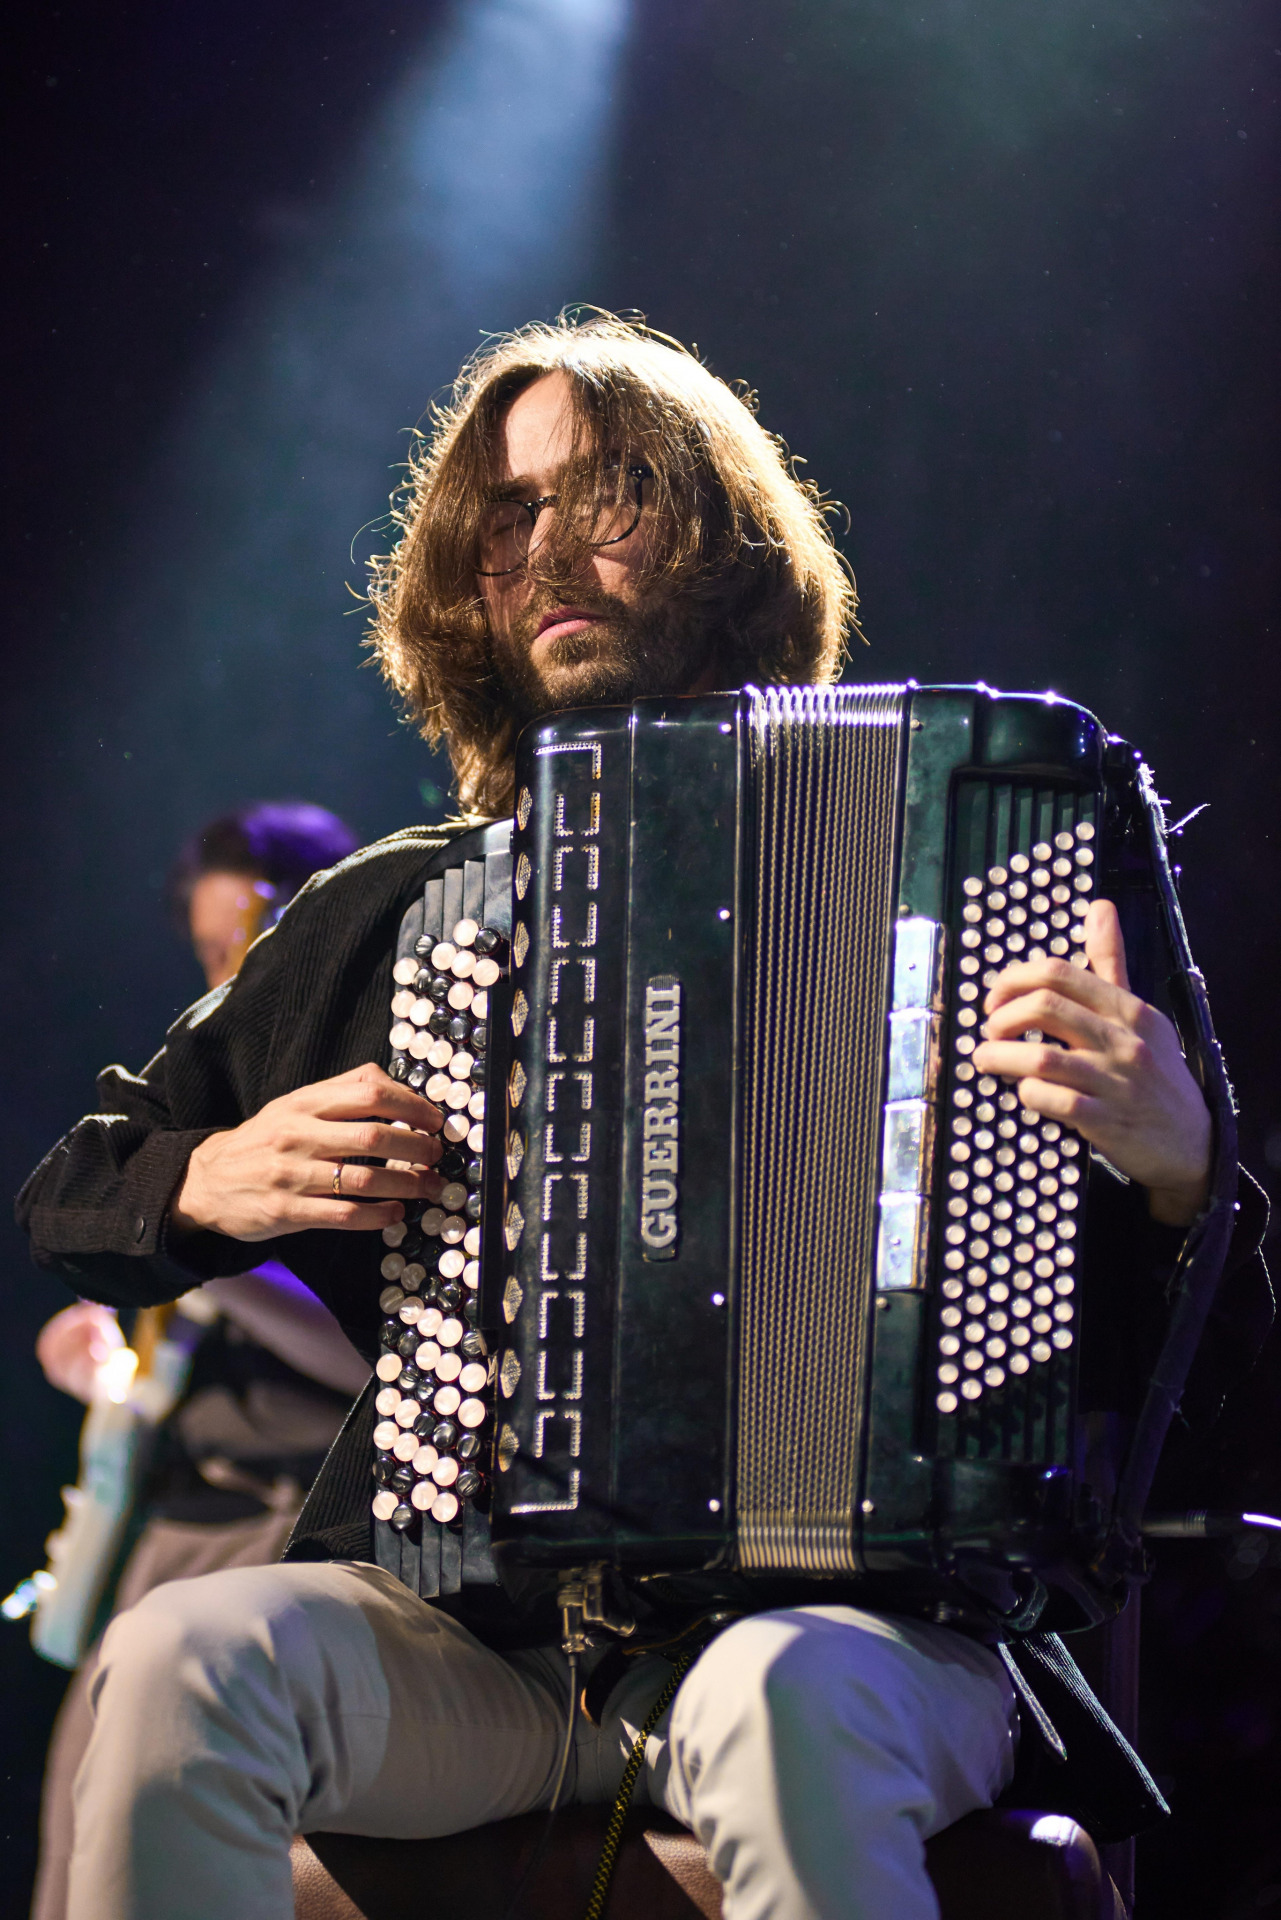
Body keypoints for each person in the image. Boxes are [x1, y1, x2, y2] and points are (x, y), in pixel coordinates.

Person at [16, 315, 1269, 1920]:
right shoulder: (392, 912)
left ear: (719, 533)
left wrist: (1177, 1166)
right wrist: (211, 1175)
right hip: (489, 1650)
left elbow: (1230, 1389)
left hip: (866, 1640)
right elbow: (78, 1188)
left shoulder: (984, 834)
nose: (543, 552)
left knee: (774, 1700)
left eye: (603, 498)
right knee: (178, 1655)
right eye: (505, 516)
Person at [28, 802, 371, 1920]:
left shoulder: (358, 1075)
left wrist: (207, 1247)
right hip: (166, 1522)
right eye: (213, 950)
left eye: (255, 940)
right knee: (79, 1835)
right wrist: (98, 1349)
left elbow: (376, 1350)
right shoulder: (207, 1096)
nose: (233, 970)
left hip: (284, 1527)